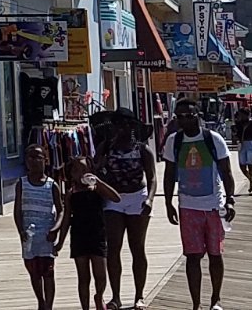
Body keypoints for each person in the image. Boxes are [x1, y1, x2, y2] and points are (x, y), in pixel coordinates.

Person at [163, 99, 237, 310]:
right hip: (187, 206)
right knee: (192, 257)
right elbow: (169, 174)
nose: (183, 120)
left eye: (188, 115)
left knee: (215, 254)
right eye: (179, 116)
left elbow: (227, 172)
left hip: (214, 205)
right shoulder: (173, 141)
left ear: (197, 115)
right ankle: (196, 304)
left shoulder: (213, 139)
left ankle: (216, 299)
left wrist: (230, 200)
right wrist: (168, 202)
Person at [98, 108, 156, 310]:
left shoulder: (142, 149)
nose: (117, 128)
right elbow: (97, 172)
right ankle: (115, 297)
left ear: (131, 126)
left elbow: (152, 177)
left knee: (137, 248)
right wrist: (100, 165)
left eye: (121, 123)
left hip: (137, 198)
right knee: (113, 248)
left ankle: (139, 296)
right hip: (113, 199)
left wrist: (149, 200)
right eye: (115, 124)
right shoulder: (106, 147)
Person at [58, 156, 121, 310]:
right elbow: (66, 218)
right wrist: (60, 242)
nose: (81, 173)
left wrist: (99, 182)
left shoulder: (97, 189)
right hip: (79, 236)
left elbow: (116, 198)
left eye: (85, 170)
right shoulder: (70, 194)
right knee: (83, 277)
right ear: (72, 174)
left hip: (97, 235)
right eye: (77, 170)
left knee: (100, 274)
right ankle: (85, 306)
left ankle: (99, 296)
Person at [16, 144, 63, 310]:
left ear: (46, 160)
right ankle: (40, 302)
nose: (34, 161)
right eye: (30, 157)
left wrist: (55, 228)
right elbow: (17, 211)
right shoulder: (21, 184)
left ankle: (48, 306)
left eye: (38, 157)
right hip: (29, 236)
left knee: (48, 272)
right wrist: (21, 230)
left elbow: (61, 210)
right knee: (34, 272)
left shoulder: (52, 185)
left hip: (46, 236)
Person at [234, 109, 252, 195]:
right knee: (242, 166)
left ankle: (251, 187)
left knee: (251, 167)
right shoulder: (238, 124)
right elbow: (236, 135)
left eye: (241, 115)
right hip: (242, 145)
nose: (240, 116)